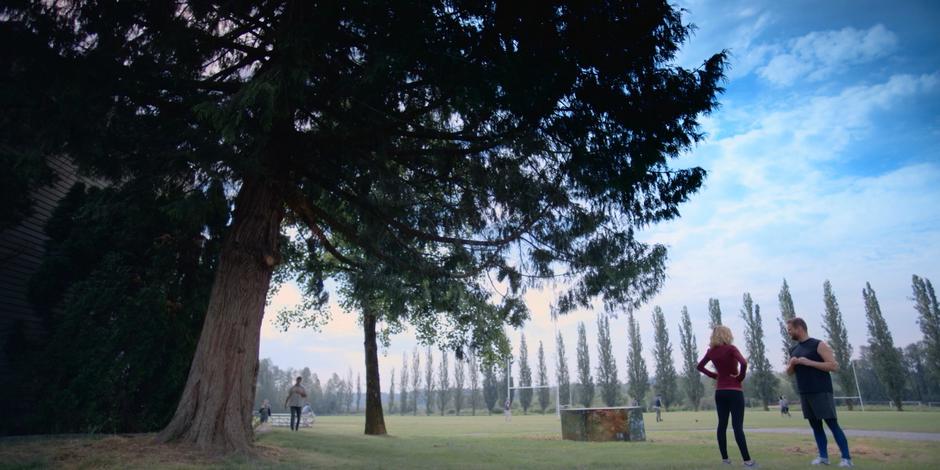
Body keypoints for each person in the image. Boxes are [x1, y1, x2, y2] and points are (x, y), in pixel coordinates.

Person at [787, 317, 853, 467]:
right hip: (805, 392)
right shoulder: (793, 350)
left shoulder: (818, 344)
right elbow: (789, 372)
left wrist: (808, 362)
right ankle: (823, 457)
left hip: (821, 391)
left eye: (790, 329)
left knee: (832, 425)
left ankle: (847, 459)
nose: (789, 333)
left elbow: (833, 366)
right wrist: (791, 364)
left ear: (799, 328)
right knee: (816, 427)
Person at [698, 325, 757, 468]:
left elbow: (699, 366)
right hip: (734, 390)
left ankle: (725, 460)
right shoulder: (731, 349)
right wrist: (740, 377)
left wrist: (714, 375)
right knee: (737, 426)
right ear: (727, 335)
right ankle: (747, 461)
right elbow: (743, 362)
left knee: (721, 426)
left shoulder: (711, 352)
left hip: (720, 391)